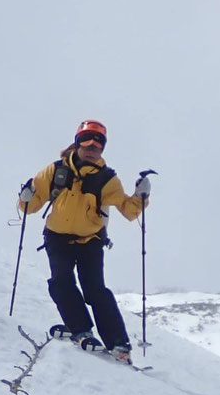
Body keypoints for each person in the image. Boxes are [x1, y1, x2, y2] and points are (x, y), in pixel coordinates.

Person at [17, 119, 152, 362]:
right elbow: (31, 206)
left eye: (98, 144)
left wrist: (142, 196)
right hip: (57, 237)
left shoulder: (107, 179)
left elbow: (129, 211)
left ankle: (118, 344)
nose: (92, 148)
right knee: (61, 282)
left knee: (95, 289)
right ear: (77, 143)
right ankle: (80, 328)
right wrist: (25, 198)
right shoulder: (56, 171)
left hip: (90, 240)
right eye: (87, 142)